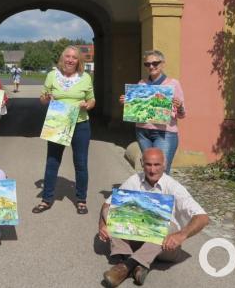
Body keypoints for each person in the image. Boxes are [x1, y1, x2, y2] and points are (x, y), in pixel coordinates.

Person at [98, 148, 209, 286]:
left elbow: (203, 217)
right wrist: (103, 225)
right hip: (137, 238)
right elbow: (107, 204)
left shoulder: (174, 187)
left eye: (157, 165)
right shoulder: (134, 180)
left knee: (165, 224)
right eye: (148, 164)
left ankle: (126, 265)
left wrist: (181, 235)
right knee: (112, 211)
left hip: (165, 245)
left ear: (164, 165)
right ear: (141, 164)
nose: (152, 170)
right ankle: (138, 264)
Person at [33, 45, 96, 215]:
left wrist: (87, 105)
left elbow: (92, 100)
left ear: (79, 61)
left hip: (80, 124)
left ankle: (81, 200)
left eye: (74, 57)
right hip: (58, 122)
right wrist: (45, 98)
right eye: (67, 56)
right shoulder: (52, 75)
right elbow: (42, 99)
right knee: (52, 162)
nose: (70, 60)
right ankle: (46, 199)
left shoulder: (85, 77)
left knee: (81, 163)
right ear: (62, 59)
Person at [119, 50, 186, 174]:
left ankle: (162, 193)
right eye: (147, 64)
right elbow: (137, 110)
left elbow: (182, 114)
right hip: (143, 132)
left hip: (165, 133)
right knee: (148, 170)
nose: (151, 66)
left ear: (162, 64)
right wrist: (127, 102)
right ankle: (149, 194)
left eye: (155, 63)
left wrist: (180, 106)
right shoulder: (141, 84)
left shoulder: (173, 84)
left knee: (162, 170)